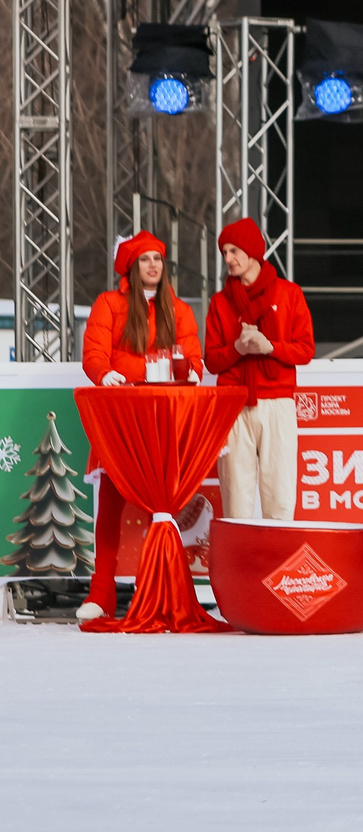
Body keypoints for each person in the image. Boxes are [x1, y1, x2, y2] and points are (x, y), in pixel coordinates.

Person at [76, 232, 203, 620]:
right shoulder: (109, 304)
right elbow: (93, 353)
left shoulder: (178, 310)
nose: (153, 265)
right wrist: (105, 374)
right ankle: (100, 594)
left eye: (158, 259)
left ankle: (162, 592)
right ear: (132, 266)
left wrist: (194, 371)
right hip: (120, 420)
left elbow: (192, 355)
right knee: (111, 506)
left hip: (161, 420)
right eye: (145, 259)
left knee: (160, 509)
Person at [205, 218, 315, 521]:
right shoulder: (220, 302)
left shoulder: (289, 294)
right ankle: (241, 568)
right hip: (234, 404)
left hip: (277, 403)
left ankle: (278, 567)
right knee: (236, 500)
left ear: (253, 251)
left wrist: (271, 347)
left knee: (279, 497)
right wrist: (238, 349)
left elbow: (306, 350)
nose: (228, 259)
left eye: (234, 251)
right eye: (224, 252)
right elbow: (211, 361)